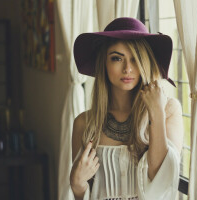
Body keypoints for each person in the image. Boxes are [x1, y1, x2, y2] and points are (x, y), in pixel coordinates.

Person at [70, 17, 183, 200]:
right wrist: (76, 184)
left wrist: (156, 113)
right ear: (104, 63)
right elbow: (82, 193)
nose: (128, 68)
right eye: (117, 58)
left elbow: (161, 179)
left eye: (135, 58)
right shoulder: (84, 123)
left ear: (145, 61)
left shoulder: (169, 111)